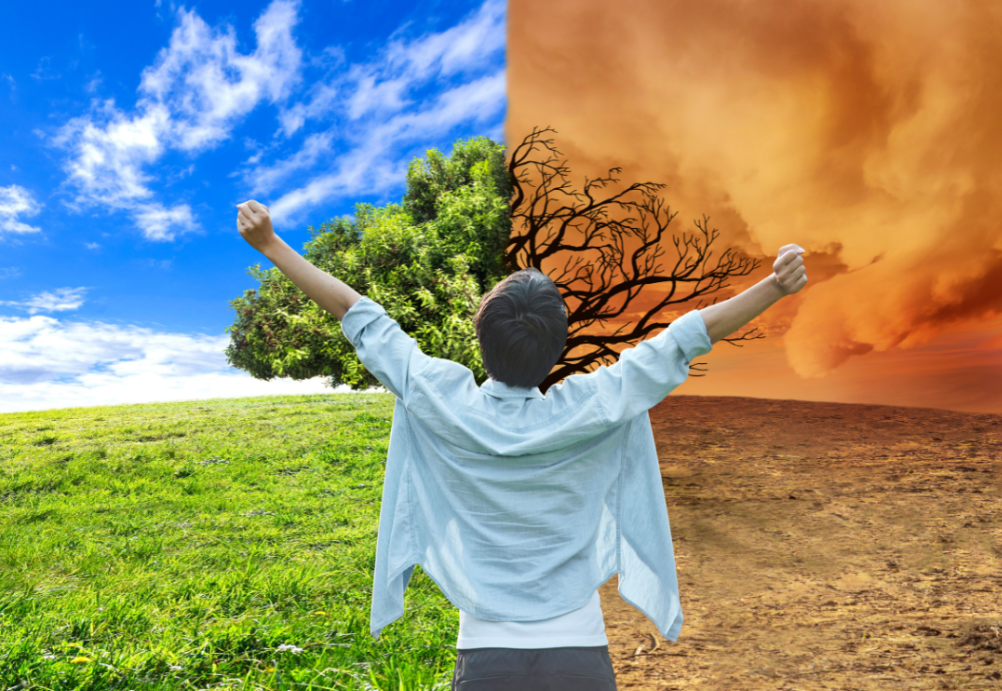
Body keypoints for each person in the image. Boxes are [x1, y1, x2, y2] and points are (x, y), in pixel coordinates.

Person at [236, 199, 807, 690]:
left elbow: (358, 314)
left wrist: (271, 244)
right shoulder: (594, 403)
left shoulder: (440, 396)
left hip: (485, 658)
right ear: (556, 348)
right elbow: (683, 340)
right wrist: (775, 286)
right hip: (580, 654)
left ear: (483, 339)